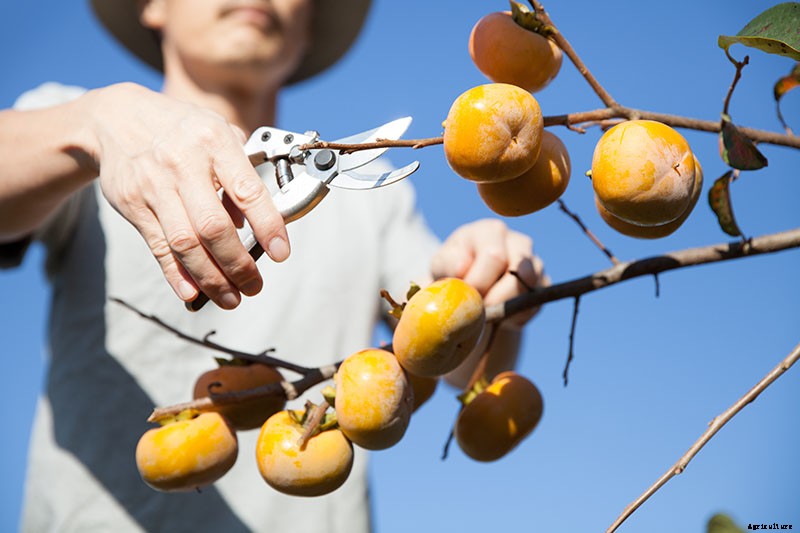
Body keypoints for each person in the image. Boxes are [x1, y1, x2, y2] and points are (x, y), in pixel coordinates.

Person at [0, 1, 544, 531]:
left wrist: (489, 273)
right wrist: (98, 122)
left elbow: (457, 362)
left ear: (307, 28)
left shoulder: (372, 204)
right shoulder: (76, 134)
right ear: (154, 6)